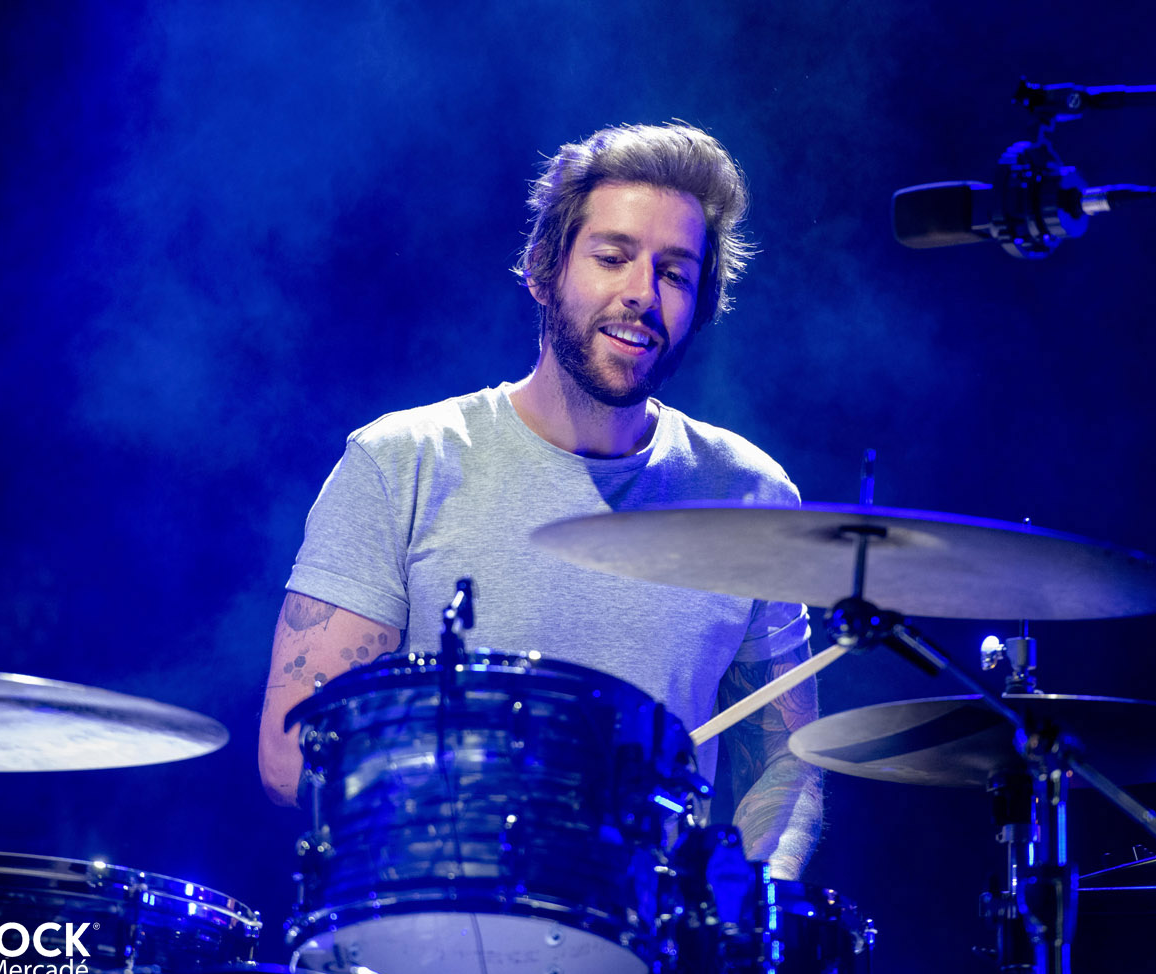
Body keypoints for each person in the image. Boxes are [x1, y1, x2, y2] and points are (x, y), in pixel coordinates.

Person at [259, 122, 821, 879]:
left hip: (648, 938)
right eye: (612, 257)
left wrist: (745, 909)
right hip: (440, 918)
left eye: (675, 273)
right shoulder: (401, 462)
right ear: (542, 270)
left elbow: (785, 765)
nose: (641, 294)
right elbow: (292, 753)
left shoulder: (750, 496)